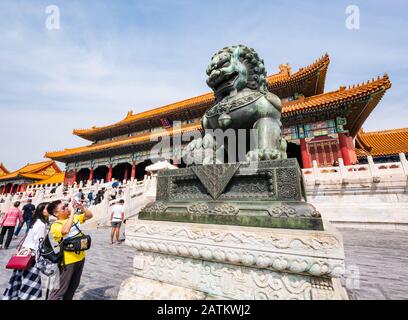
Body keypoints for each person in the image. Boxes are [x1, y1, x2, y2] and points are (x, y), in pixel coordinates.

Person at [46, 200, 93, 300]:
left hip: (80, 257)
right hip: (68, 261)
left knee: (73, 287)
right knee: (60, 290)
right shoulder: (55, 225)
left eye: (66, 206)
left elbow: (89, 216)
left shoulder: (74, 218)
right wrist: (72, 213)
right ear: (55, 213)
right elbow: (65, 230)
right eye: (63, 208)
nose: (67, 208)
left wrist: (82, 208)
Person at [3, 203, 50, 300]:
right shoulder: (41, 224)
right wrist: (40, 262)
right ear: (41, 211)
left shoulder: (35, 221)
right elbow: (39, 244)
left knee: (19, 280)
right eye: (47, 208)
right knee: (29, 284)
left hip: (24, 254)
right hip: (31, 257)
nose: (50, 210)